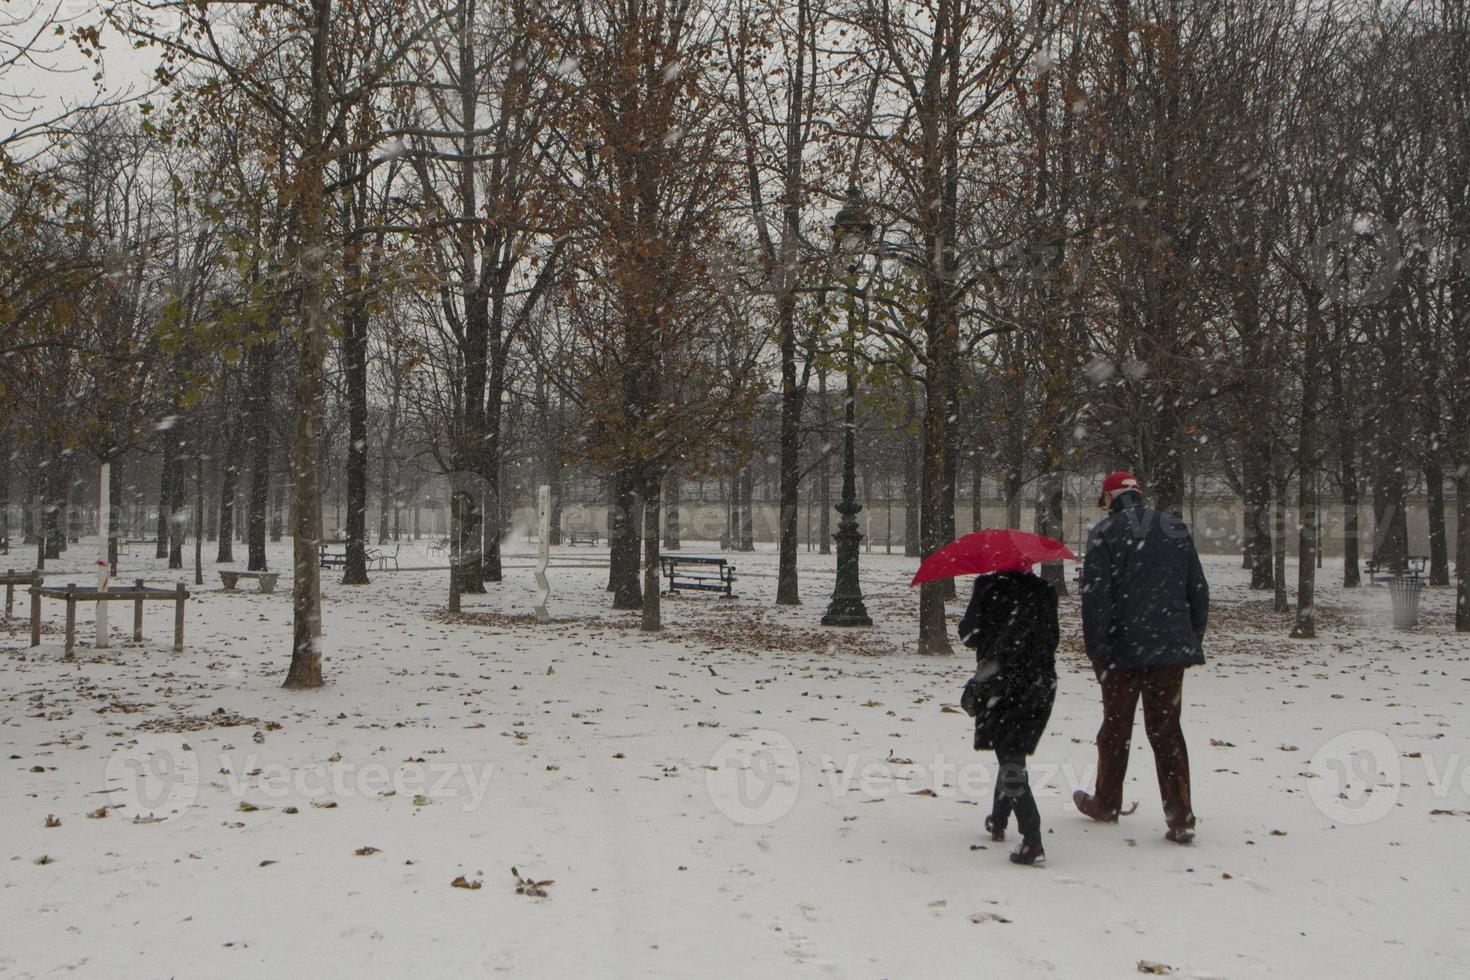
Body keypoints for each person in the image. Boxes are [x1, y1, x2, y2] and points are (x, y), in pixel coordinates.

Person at [1073, 471, 1209, 844]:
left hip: (1122, 651)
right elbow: (1197, 588)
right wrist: (1188, 638)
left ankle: (1107, 802)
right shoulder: (1176, 529)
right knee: (1167, 731)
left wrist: (1097, 653)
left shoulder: (1103, 534)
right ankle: (1180, 816)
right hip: (1170, 650)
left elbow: (1096, 600)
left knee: (1115, 729)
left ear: (1108, 499)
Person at [958, 566, 1059, 866]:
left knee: (1010, 757)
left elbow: (969, 634)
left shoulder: (988, 586)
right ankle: (999, 819)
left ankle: (1032, 838)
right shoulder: (1044, 591)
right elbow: (1052, 638)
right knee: (1011, 751)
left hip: (999, 682)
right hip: (1039, 683)